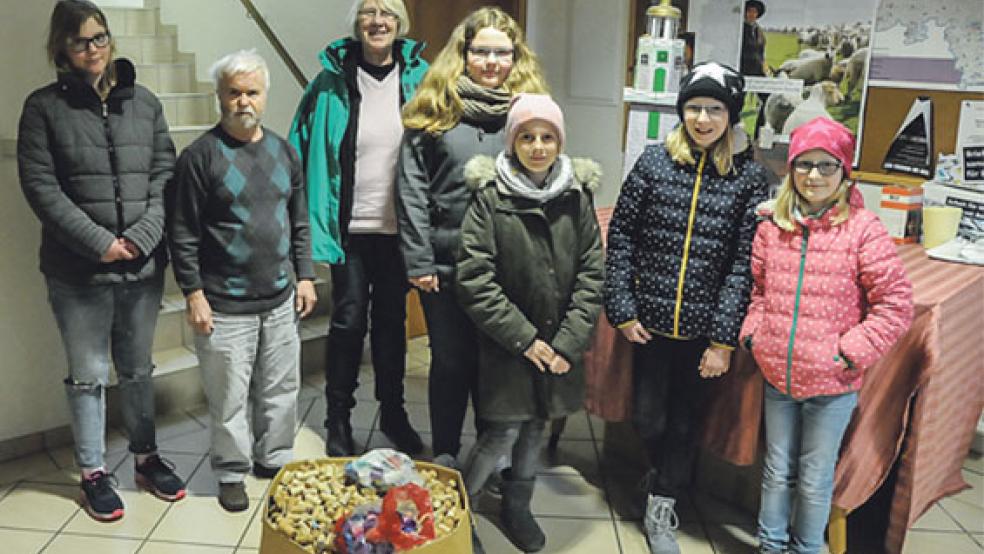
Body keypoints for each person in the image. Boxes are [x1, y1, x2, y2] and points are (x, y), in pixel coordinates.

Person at [17, 0, 186, 522]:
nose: (92, 50)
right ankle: (93, 472)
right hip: (77, 271)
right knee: (88, 375)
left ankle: (145, 457)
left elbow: (165, 172)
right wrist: (99, 243)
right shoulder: (42, 107)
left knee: (137, 369)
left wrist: (144, 235)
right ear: (60, 49)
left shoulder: (146, 102)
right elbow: (41, 188)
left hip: (141, 264)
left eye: (99, 38)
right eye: (79, 41)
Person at [604, 62, 769, 554]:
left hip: (704, 334)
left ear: (730, 115)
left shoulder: (749, 179)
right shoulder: (653, 163)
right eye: (694, 108)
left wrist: (722, 340)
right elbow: (622, 239)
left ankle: (662, 504)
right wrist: (622, 307)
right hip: (648, 326)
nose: (702, 119)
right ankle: (664, 477)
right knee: (650, 419)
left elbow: (745, 265)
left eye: (714, 109)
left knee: (684, 423)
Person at [739, 117, 913, 554]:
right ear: (790, 168)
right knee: (776, 470)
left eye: (826, 166)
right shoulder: (771, 226)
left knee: (816, 477)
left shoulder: (863, 230)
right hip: (778, 373)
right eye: (803, 165)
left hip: (833, 384)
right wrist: (755, 334)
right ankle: (770, 545)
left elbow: (895, 305)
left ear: (843, 172)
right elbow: (757, 291)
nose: (813, 176)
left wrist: (849, 351)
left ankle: (806, 547)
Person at [396, 6, 548, 469]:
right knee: (450, 364)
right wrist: (419, 260)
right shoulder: (434, 112)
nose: (490, 62)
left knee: (496, 369)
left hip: (507, 270)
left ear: (515, 58)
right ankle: (444, 455)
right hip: (445, 267)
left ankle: (489, 463)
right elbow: (411, 189)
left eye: (501, 53)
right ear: (462, 55)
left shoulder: (529, 114)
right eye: (480, 51)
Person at [166, 50, 317, 512]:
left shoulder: (283, 151)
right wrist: (193, 293)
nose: (243, 100)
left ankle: (274, 458)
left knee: (280, 388)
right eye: (234, 92)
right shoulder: (199, 157)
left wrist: (306, 276)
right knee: (229, 396)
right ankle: (232, 471)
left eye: (252, 91)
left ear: (264, 96)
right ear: (219, 97)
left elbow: (300, 220)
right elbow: (183, 231)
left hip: (279, 297)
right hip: (224, 303)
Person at [456, 94, 604, 552]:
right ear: (512, 141)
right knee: (500, 429)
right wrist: (525, 339)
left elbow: (591, 273)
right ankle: (459, 511)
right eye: (527, 136)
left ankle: (517, 504)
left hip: (559, 342)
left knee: (538, 424)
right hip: (508, 344)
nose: (537, 146)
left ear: (559, 143)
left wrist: (566, 343)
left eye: (547, 137)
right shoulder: (489, 198)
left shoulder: (576, 197)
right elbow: (475, 278)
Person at [289, 0, 428, 458]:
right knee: (347, 322)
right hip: (348, 229)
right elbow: (297, 148)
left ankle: (393, 415)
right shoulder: (328, 84)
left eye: (386, 12)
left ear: (399, 23)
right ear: (357, 23)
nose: (377, 21)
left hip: (399, 231)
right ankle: (338, 420)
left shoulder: (420, 79)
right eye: (369, 11)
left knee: (391, 325)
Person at [740, 0, 768, 137]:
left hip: (757, 72)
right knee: (738, 100)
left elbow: (761, 52)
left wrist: (764, 66)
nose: (752, 14)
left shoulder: (759, 31)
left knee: (767, 98)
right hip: (742, 71)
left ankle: (758, 132)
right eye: (749, 11)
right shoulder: (740, 30)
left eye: (754, 12)